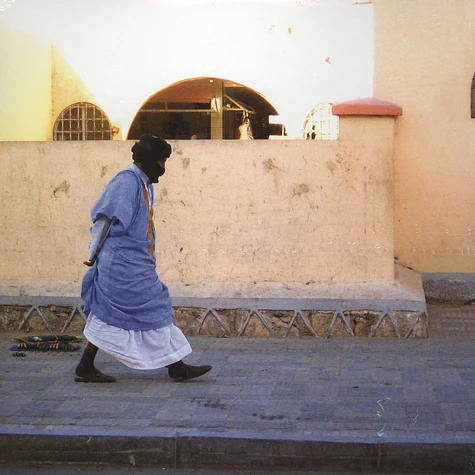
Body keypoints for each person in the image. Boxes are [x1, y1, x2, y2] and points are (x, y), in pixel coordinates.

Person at [75, 134, 212, 383]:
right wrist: (92, 254)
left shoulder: (144, 184)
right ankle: (177, 367)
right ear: (148, 161)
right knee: (155, 307)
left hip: (137, 263)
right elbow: (104, 222)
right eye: (161, 161)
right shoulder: (125, 182)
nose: (163, 168)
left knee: (110, 314)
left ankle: (86, 366)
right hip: (120, 266)